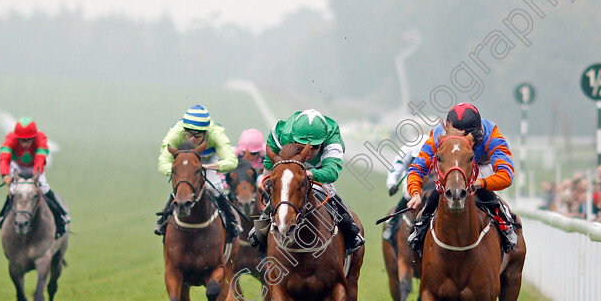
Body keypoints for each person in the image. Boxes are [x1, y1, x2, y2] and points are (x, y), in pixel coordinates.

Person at [406, 103, 519, 254]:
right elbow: (417, 168)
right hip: (453, 167)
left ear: (477, 134)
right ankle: (422, 223)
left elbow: (506, 175)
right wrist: (415, 193)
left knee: (484, 192)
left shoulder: (491, 134)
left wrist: (479, 183)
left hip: (481, 167)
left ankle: (504, 223)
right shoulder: (439, 134)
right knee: (438, 190)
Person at [248, 109, 365, 255]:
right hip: (288, 168)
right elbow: (268, 167)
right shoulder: (280, 133)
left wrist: (307, 174)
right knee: (279, 194)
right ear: (294, 138)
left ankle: (351, 231)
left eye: (314, 146)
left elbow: (332, 172)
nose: (308, 151)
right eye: (301, 146)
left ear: (322, 142)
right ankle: (263, 222)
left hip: (318, 170)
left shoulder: (332, 137)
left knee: (331, 196)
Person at [155, 105, 242, 240]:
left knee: (213, 187)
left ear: (206, 132)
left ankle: (232, 222)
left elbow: (231, 161)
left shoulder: (216, 133)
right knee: (182, 187)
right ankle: (162, 220)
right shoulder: (176, 132)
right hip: (185, 159)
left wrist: (208, 167)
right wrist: (178, 172)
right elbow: (163, 162)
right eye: (189, 133)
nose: (192, 139)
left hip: (209, 159)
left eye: (197, 135)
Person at [0, 117, 70, 238]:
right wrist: (5, 175)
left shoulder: (41, 138)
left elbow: (40, 159)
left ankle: (61, 214)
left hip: (35, 166)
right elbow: (4, 158)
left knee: (45, 188)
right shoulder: (10, 139)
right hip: (17, 166)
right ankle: (2, 216)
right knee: (14, 190)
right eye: (22, 140)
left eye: (28, 140)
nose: (25, 143)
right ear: (17, 137)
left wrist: (35, 177)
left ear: (34, 137)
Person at [382, 141, 424, 241]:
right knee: (409, 194)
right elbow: (397, 166)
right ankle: (392, 222)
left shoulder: (435, 146)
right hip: (412, 174)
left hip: (429, 176)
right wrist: (392, 183)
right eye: (415, 159)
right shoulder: (408, 149)